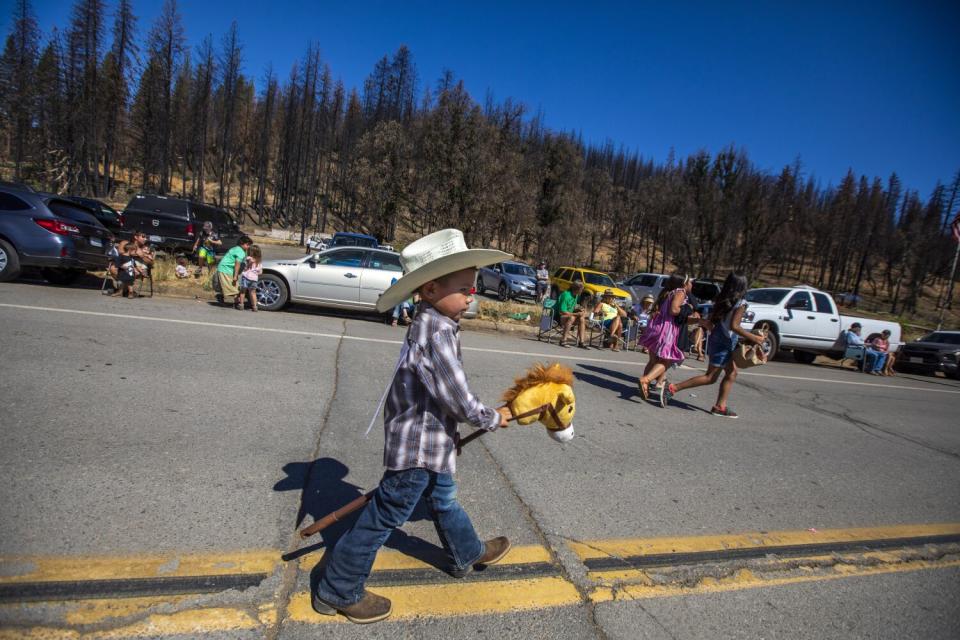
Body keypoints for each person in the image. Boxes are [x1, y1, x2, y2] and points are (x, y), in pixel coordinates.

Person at [313, 228, 513, 624]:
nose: (472, 295)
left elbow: (436, 396)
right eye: (464, 288)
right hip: (419, 449)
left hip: (431, 441)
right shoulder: (435, 331)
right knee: (383, 516)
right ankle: (337, 588)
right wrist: (491, 416)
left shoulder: (434, 322)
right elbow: (455, 393)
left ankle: (466, 551)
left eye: (473, 288)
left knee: (442, 499)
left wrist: (450, 432)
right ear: (431, 288)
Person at [660, 272, 766, 417]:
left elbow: (720, 322)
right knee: (710, 377)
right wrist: (754, 338)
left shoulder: (722, 298)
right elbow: (735, 326)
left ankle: (720, 406)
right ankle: (673, 388)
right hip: (725, 342)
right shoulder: (741, 303)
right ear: (743, 286)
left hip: (718, 338)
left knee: (732, 372)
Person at [636, 274, 692, 400]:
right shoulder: (680, 292)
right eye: (690, 282)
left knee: (652, 360)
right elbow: (674, 310)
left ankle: (645, 386)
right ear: (684, 283)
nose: (691, 284)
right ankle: (646, 380)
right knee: (666, 360)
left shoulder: (667, 292)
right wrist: (685, 310)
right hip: (667, 329)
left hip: (655, 325)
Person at [216, 236, 252, 309]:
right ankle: (236, 303)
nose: (249, 246)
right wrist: (235, 276)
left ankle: (221, 296)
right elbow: (237, 264)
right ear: (242, 244)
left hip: (224, 267)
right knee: (234, 286)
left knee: (232, 285)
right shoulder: (241, 252)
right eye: (247, 244)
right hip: (226, 269)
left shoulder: (236, 248)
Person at [557, 281, 588, 348]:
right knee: (572, 317)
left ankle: (581, 342)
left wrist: (580, 310)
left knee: (582, 319)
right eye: (581, 289)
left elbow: (572, 307)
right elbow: (562, 311)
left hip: (569, 315)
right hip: (559, 316)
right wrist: (575, 314)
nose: (582, 291)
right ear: (577, 289)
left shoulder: (576, 295)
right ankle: (563, 340)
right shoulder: (566, 295)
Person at [240, 244, 263, 311]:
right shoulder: (259, 262)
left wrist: (249, 264)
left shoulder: (248, 258)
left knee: (243, 291)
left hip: (246, 277)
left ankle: (241, 305)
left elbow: (246, 267)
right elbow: (260, 272)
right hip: (254, 279)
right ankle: (255, 306)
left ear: (251, 252)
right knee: (253, 293)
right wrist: (255, 273)